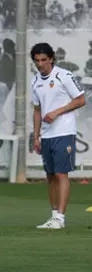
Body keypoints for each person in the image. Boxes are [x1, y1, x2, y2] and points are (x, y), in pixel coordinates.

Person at [30, 42, 85, 229]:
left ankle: (61, 218)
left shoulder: (64, 76)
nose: (40, 64)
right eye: (36, 60)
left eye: (44, 60)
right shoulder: (35, 80)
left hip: (64, 131)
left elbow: (80, 100)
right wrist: (36, 135)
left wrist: (57, 112)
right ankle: (53, 216)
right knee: (51, 175)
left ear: (52, 59)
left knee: (62, 174)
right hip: (46, 135)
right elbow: (37, 110)